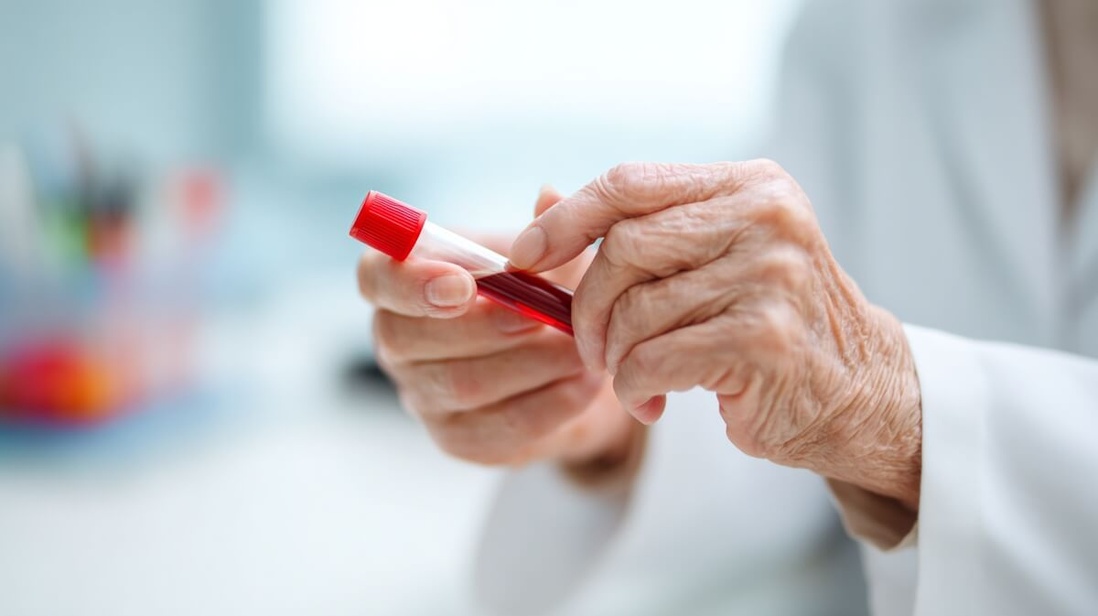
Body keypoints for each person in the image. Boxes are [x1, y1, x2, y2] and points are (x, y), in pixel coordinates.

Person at [356, 0, 1098, 614]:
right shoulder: (867, 25)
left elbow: (844, 372)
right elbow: (783, 366)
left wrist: (891, 406)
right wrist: (621, 412)